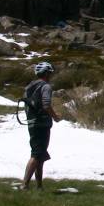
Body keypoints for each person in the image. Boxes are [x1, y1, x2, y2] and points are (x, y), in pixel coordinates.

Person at [22, 62, 61, 190]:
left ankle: (39, 186)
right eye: (50, 73)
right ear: (46, 73)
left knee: (40, 155)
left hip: (32, 123)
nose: (51, 75)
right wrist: (55, 117)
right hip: (42, 124)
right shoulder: (46, 87)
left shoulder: (29, 87)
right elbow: (46, 104)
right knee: (36, 154)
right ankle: (24, 185)